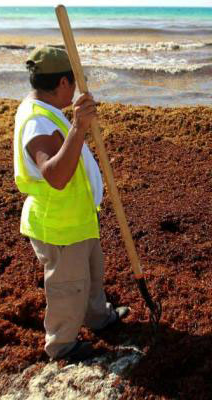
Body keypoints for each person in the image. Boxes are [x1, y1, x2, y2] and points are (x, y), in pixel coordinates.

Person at [13, 46, 128, 362]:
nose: (78, 88)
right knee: (68, 287)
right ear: (63, 83)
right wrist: (77, 127)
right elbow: (56, 176)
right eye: (75, 82)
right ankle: (62, 344)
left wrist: (77, 124)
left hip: (77, 219)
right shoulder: (38, 123)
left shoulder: (44, 109)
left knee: (91, 276)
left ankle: (98, 318)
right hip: (60, 226)